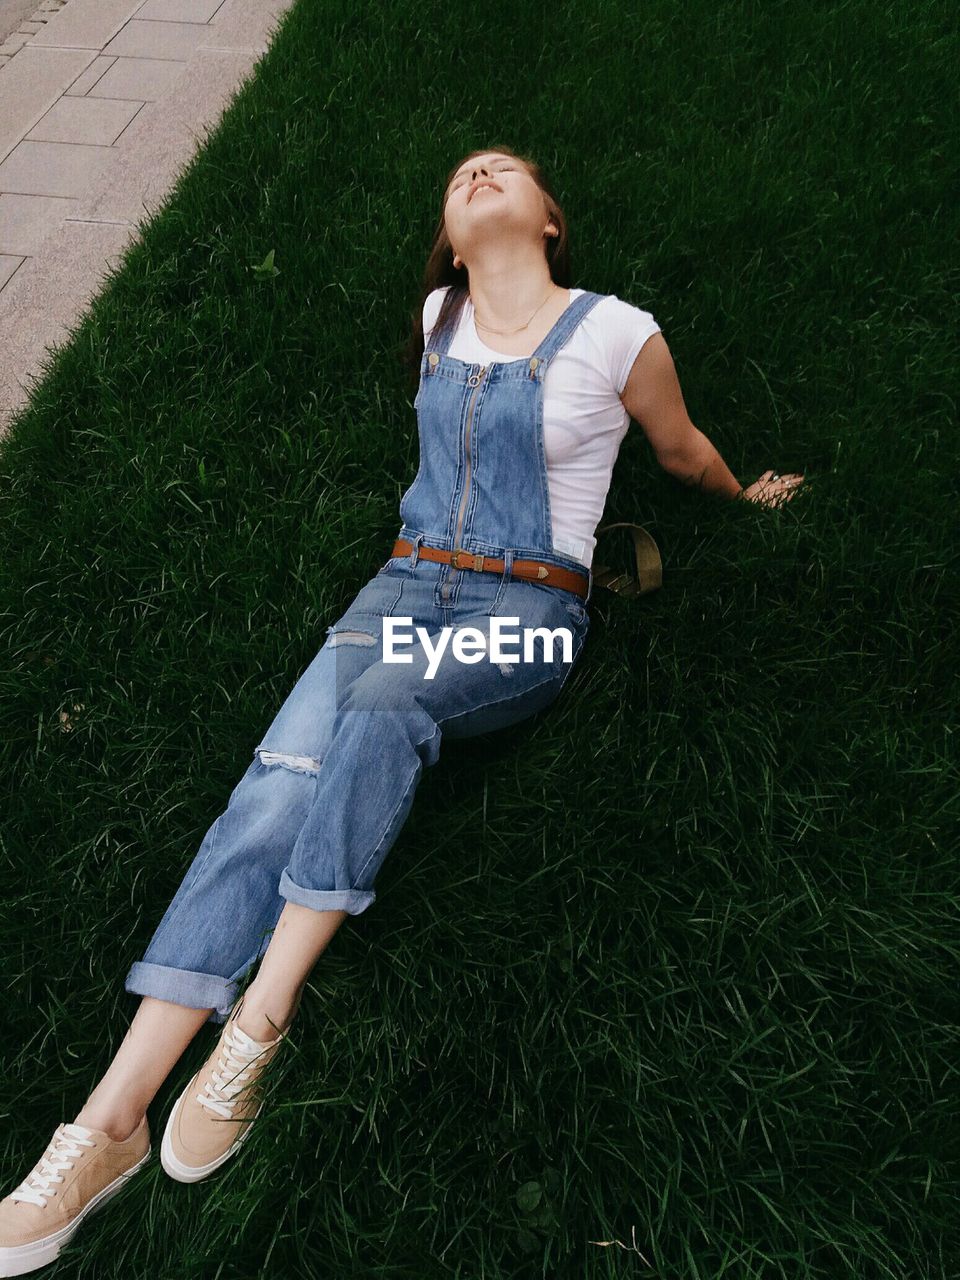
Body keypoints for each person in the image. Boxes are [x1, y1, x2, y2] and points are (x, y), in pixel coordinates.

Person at [0, 145, 804, 1276]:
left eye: (504, 169)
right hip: (404, 583)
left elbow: (678, 449)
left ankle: (258, 1021)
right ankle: (108, 1120)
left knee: (382, 706)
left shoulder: (620, 331)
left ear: (550, 220)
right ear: (451, 227)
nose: (477, 173)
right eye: (462, 173)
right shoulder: (438, 313)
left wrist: (746, 493)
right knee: (272, 789)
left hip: (530, 612)